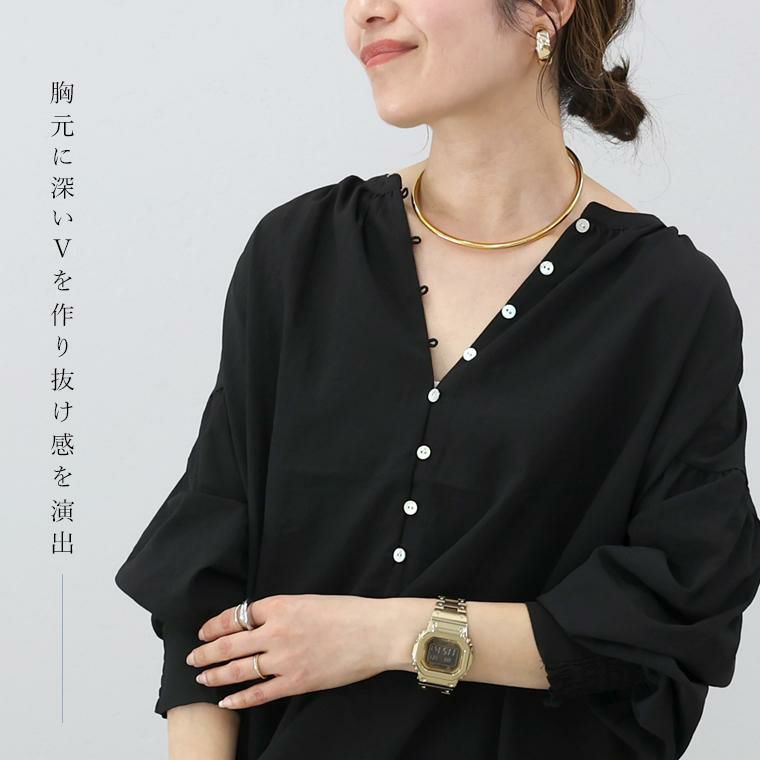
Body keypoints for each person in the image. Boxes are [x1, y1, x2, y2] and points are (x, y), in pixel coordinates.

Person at [114, 1, 760, 758]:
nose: (366, 11)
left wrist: (387, 635)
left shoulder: (666, 302)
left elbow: (672, 613)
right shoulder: (299, 256)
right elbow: (206, 586)